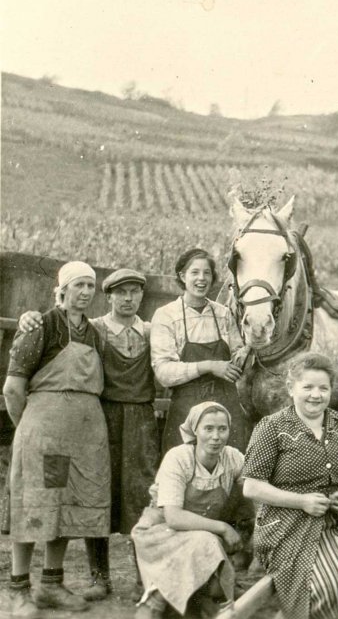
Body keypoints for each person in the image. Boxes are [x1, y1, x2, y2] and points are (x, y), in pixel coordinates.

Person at [17, 268, 161, 601]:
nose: (127, 299)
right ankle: (100, 577)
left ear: (142, 296)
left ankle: (145, 577)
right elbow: (58, 316)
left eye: (134, 292)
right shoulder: (94, 328)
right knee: (98, 495)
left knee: (142, 496)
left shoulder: (154, 331)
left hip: (141, 419)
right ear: (107, 297)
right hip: (100, 417)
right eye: (120, 292)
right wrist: (28, 316)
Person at [242, 352, 338, 619]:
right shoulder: (272, 427)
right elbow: (251, 487)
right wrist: (301, 501)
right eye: (308, 387)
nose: (316, 395)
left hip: (336, 523)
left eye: (323, 388)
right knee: (324, 577)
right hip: (286, 526)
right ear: (291, 388)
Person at [1, 261, 111, 617]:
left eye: (90, 286)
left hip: (80, 439)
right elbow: (13, 389)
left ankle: (51, 584)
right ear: (62, 290)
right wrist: (31, 429)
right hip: (45, 437)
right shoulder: (41, 326)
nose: (85, 292)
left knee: (62, 508)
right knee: (36, 507)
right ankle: (19, 589)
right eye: (78, 285)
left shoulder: (93, 333)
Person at [132, 401, 245, 619]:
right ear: (195, 430)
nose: (216, 437)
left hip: (198, 535)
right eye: (208, 429)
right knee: (206, 542)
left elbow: (255, 486)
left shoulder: (232, 457)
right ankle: (155, 602)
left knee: (212, 576)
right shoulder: (179, 458)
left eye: (222, 429)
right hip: (161, 532)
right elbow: (173, 517)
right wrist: (222, 527)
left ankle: (198, 596)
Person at [150, 248, 248, 455]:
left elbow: (238, 357)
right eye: (195, 272)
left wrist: (250, 349)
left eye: (207, 273)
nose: (201, 278)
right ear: (182, 276)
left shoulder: (223, 314)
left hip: (226, 411)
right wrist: (210, 366)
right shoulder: (166, 315)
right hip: (187, 414)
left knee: (230, 473)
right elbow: (164, 373)